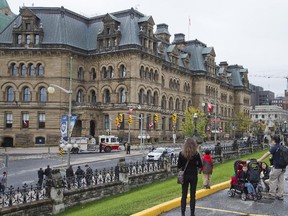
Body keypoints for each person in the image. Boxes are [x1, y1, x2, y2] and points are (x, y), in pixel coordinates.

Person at [177, 137, 202, 216]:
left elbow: (179, 166)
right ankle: (192, 213)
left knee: (184, 194)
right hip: (193, 175)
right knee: (192, 195)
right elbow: (200, 165)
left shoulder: (181, 154)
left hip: (185, 176)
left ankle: (183, 213)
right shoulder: (196, 154)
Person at [257, 135, 286, 200]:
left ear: (274, 141)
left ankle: (272, 195)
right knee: (280, 181)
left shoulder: (274, 147)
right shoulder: (282, 146)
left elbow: (267, 154)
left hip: (277, 167)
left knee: (272, 180)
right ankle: (280, 195)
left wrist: (260, 159)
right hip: (283, 167)